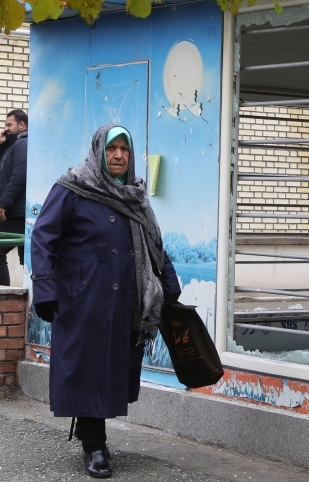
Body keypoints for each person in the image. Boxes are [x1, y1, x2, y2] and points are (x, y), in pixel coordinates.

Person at [30, 125, 180, 479]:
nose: (118, 156)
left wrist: (168, 286)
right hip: (84, 300)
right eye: (111, 149)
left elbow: (153, 244)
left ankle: (89, 428)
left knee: (110, 371)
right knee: (89, 371)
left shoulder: (134, 195)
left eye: (124, 150)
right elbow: (43, 237)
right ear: (98, 151)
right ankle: (95, 445)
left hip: (124, 301)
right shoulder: (73, 187)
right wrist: (46, 289)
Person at [0, 109, 28, 285]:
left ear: (22, 124)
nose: (6, 129)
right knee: (27, 258)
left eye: (9, 124)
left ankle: (5, 300)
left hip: (17, 213)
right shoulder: (12, 145)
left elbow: (18, 177)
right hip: (14, 211)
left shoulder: (23, 144)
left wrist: (3, 204)